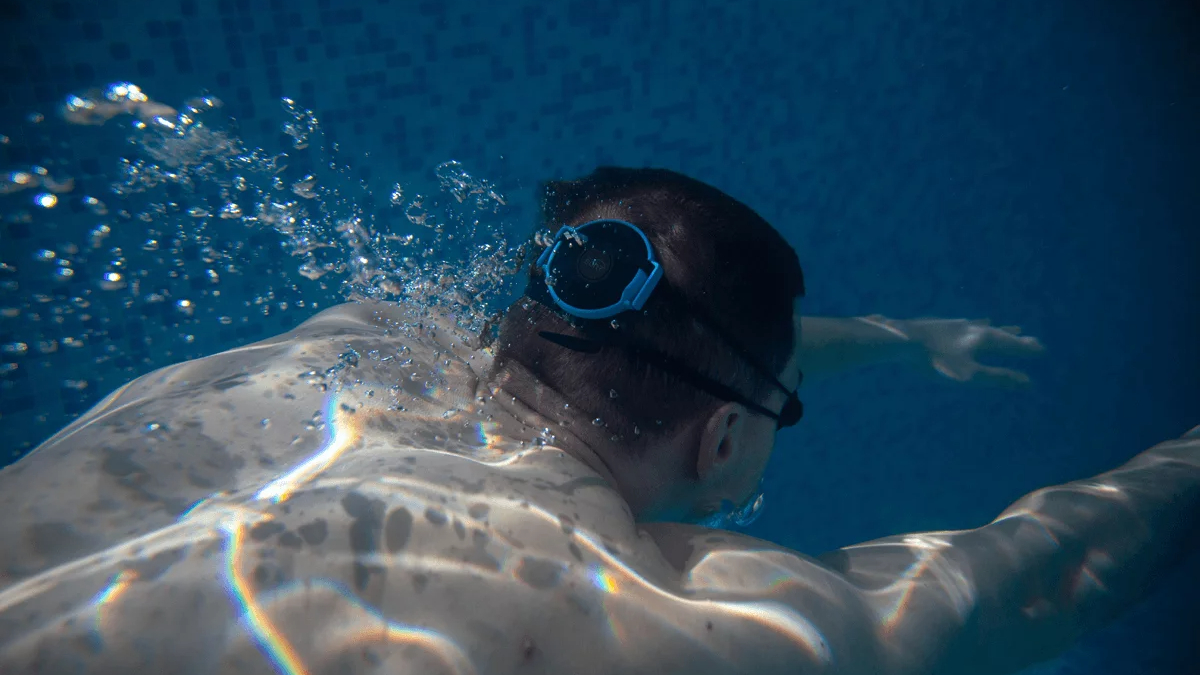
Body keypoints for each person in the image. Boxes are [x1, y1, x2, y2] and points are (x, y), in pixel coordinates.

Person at [0, 167, 1191, 675]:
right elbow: (1046, 575)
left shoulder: (354, 351)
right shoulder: (672, 618)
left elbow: (626, 328)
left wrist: (897, 338)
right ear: (726, 444)